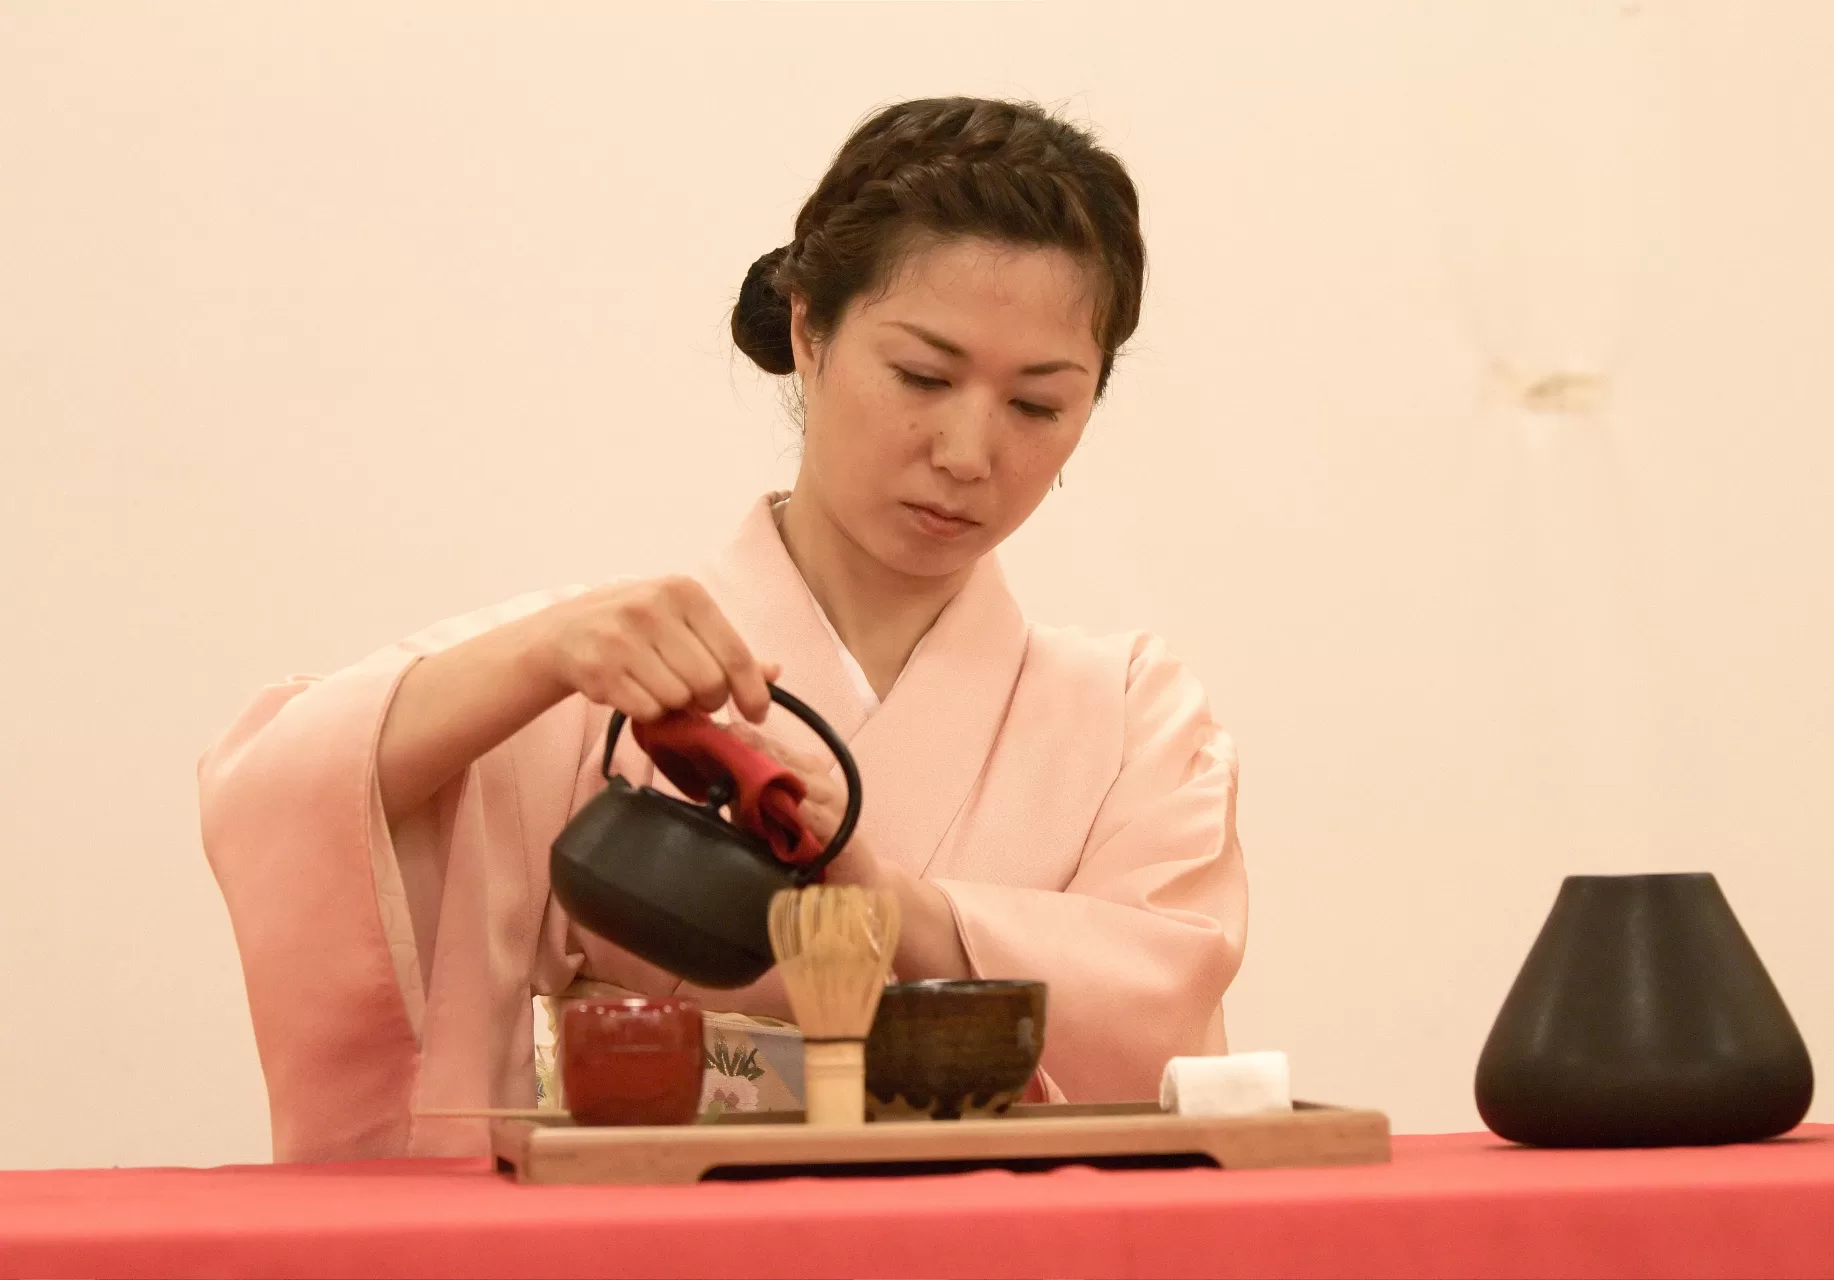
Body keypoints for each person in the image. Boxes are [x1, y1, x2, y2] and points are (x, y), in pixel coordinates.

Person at [200, 97, 1248, 1162]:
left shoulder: (1130, 716)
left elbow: (1159, 1017)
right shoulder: (601, 672)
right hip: (639, 1236)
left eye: (1037, 405)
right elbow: (280, 795)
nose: (968, 454)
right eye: (923, 377)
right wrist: (542, 651)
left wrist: (880, 897)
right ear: (808, 331)